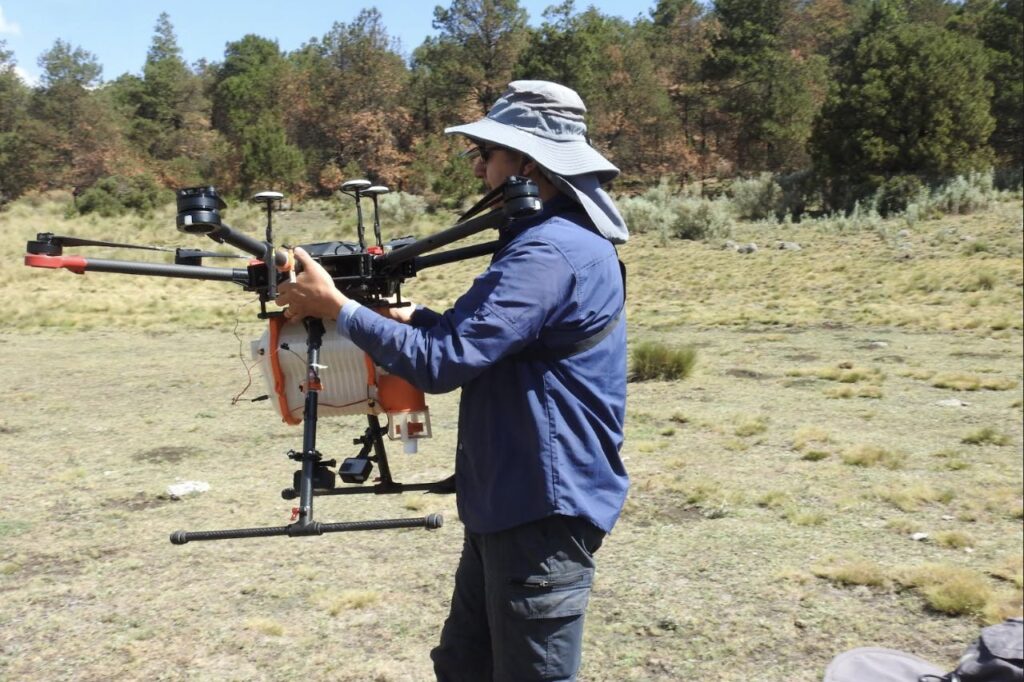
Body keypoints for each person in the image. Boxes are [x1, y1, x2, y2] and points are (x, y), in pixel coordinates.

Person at [276, 80, 629, 682]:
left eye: (485, 155)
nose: (481, 171)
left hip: (540, 506)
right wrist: (410, 317)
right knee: (464, 665)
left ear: (526, 162)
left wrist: (338, 310)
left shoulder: (550, 252)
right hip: (506, 500)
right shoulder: (546, 245)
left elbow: (443, 363)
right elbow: (488, 342)